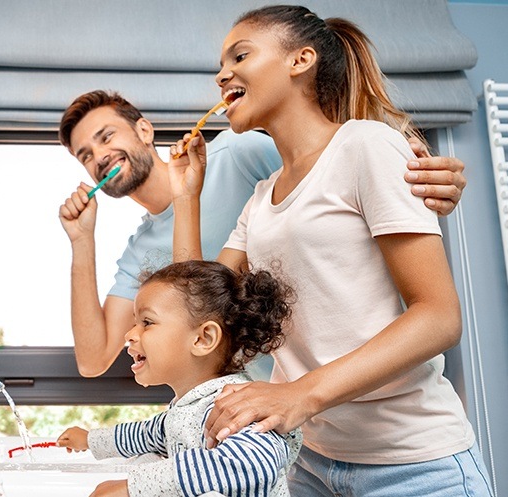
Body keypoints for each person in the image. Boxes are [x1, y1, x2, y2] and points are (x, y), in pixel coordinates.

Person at [168, 5, 492, 497]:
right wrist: (185, 197)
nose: (222, 74)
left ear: (300, 60)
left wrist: (299, 394)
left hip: (414, 466)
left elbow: (439, 317)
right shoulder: (261, 198)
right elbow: (195, 309)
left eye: (240, 55)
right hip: (313, 463)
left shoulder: (367, 146)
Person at [58, 90, 467, 379]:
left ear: (144, 131)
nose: (99, 156)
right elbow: (93, 360)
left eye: (106, 136)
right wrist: (81, 241)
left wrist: (410, 170)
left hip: (365, 379)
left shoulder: (238, 153)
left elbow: (339, 168)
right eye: (85, 156)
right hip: (277, 409)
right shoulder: (139, 253)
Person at [56, 259, 302, 497]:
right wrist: (90, 440)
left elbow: (252, 465)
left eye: (147, 322)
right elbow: (143, 434)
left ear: (202, 339)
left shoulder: (236, 406)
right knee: (148, 458)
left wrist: (133, 488)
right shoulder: (188, 407)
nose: (130, 334)